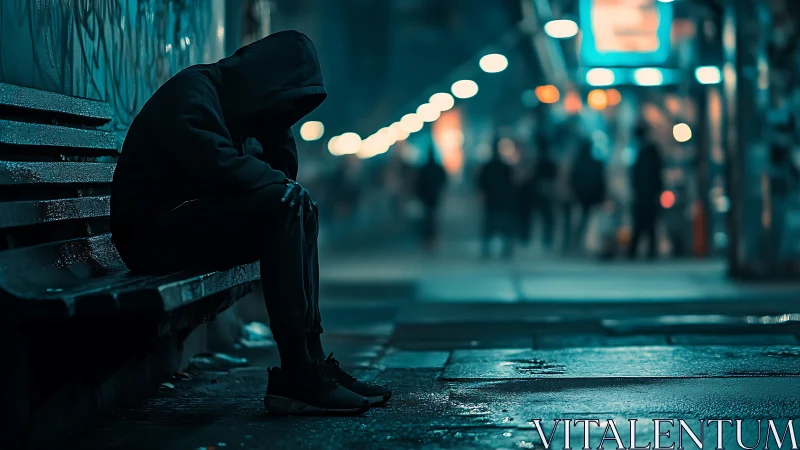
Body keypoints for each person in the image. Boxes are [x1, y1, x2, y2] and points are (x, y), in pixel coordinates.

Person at [110, 31, 389, 416]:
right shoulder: (194, 92)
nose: (285, 113)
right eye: (283, 101)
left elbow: (282, 176)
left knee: (300, 207)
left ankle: (311, 357)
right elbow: (219, 168)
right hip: (149, 236)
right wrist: (279, 179)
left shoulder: (243, 108)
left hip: (183, 225)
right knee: (283, 204)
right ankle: (299, 372)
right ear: (265, 81)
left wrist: (277, 127)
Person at [628, 124, 664, 259]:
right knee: (648, 225)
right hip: (647, 194)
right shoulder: (648, 152)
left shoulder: (645, 153)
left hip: (645, 194)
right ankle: (646, 252)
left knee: (643, 224)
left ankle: (636, 252)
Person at [478, 134, 517, 259]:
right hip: (503, 201)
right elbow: (512, 183)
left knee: (491, 226)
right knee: (504, 226)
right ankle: (505, 250)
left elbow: (481, 183)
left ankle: (488, 251)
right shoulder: (504, 167)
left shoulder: (488, 167)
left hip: (493, 200)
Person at [570, 137, 606, 253]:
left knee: (581, 221)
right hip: (591, 197)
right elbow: (600, 181)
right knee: (589, 222)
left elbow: (573, 180)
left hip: (580, 197)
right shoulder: (595, 163)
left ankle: (577, 244)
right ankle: (583, 244)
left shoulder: (578, 162)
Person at [414, 145, 448, 251]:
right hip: (434, 195)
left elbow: (418, 183)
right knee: (432, 218)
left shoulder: (424, 168)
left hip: (426, 196)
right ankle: (432, 239)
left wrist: (420, 194)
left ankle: (427, 239)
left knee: (427, 218)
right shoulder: (437, 168)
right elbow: (443, 180)